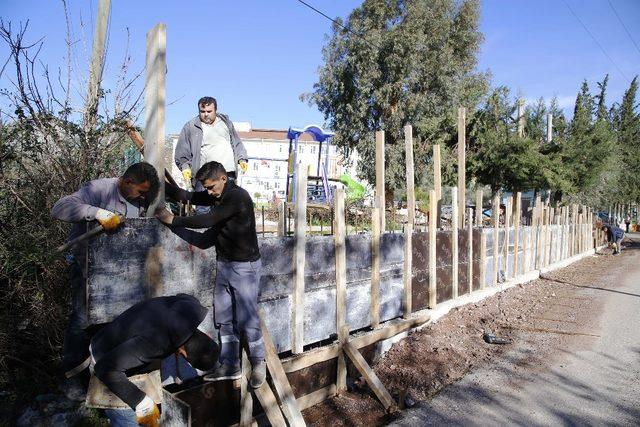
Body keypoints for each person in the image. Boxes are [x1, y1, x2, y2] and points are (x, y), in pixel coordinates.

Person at [51, 162, 159, 400]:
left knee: (112, 321)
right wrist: (97, 213)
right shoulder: (99, 190)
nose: (144, 197)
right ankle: (72, 378)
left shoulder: (142, 197)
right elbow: (60, 207)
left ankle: (103, 374)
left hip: (121, 271)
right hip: (88, 268)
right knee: (81, 321)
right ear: (127, 181)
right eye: (141, 191)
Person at [156, 161, 266, 389]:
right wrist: (159, 186)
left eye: (211, 186)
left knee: (247, 319)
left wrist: (173, 220)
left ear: (223, 178)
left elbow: (208, 220)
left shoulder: (237, 197)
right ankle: (229, 364)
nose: (208, 192)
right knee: (224, 317)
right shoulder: (217, 195)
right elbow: (186, 196)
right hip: (225, 265)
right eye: (205, 188)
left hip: (245, 267)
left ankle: (258, 362)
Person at [91, 294, 218, 426]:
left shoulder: (192, 305)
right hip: (104, 357)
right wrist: (141, 402)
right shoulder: (155, 343)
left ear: (208, 336)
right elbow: (105, 369)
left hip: (125, 347)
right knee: (128, 419)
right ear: (183, 353)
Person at [174, 96, 248, 187]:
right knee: (203, 201)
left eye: (209, 111)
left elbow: (237, 143)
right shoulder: (191, 127)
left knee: (229, 200)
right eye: (202, 111)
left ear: (216, 110)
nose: (205, 114)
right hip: (204, 175)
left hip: (228, 174)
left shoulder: (226, 123)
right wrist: (185, 168)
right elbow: (182, 152)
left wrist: (242, 159)